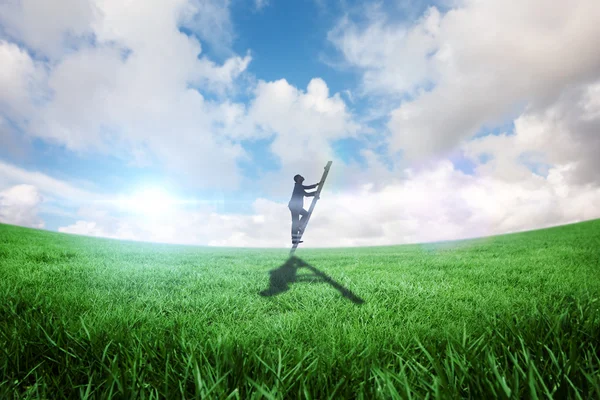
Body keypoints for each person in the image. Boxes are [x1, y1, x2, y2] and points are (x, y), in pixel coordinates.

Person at [288, 174, 321, 244]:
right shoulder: (298, 186)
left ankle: (299, 227)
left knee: (305, 214)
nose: (302, 177)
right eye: (300, 177)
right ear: (297, 179)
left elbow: (307, 187)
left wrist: (316, 185)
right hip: (294, 207)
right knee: (295, 222)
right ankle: (294, 238)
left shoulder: (299, 186)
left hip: (297, 207)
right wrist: (315, 193)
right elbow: (306, 194)